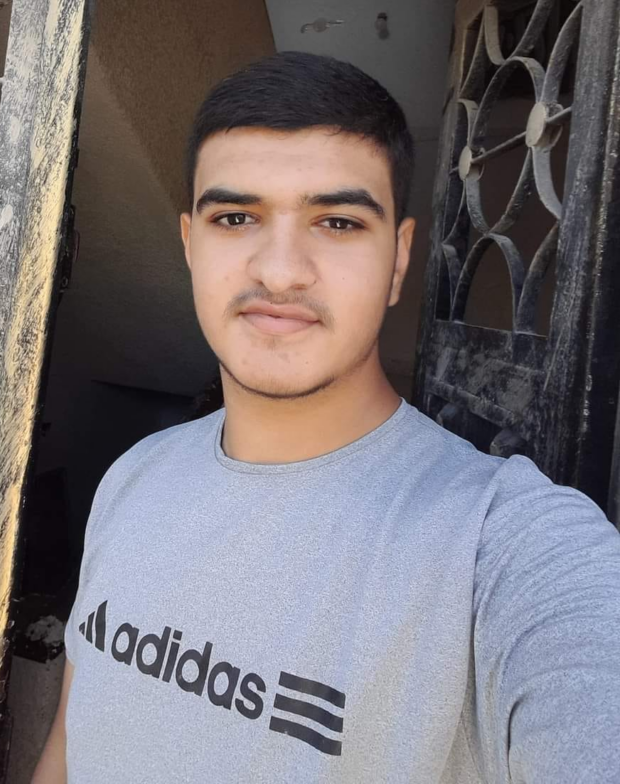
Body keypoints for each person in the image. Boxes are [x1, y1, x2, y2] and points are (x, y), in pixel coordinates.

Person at [31, 51, 620, 784]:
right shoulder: (133, 476)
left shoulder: (505, 549)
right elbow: (71, 741)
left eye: (338, 222)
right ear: (189, 244)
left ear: (399, 259)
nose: (280, 271)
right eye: (235, 217)